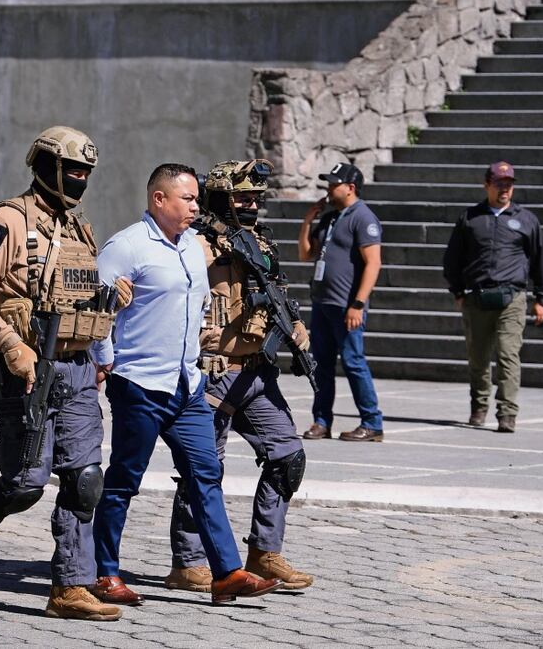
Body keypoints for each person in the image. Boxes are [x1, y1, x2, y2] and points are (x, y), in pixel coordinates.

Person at [0, 126, 130, 621]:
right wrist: (11, 345)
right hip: (27, 374)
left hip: (77, 372)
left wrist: (106, 319)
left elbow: (74, 298)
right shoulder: (11, 221)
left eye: (86, 172)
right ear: (48, 167)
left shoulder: (80, 228)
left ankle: (70, 588)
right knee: (23, 484)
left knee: (85, 481)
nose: (80, 180)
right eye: (73, 170)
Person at [90, 163, 283, 607]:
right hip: (138, 383)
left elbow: (196, 311)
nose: (196, 206)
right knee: (123, 481)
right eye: (188, 199)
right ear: (159, 199)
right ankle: (105, 574)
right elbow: (97, 314)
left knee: (206, 475)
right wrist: (105, 363)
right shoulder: (127, 247)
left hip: (187, 384)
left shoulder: (193, 249)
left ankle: (227, 573)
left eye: (197, 199)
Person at [165, 159, 314, 592]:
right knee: (203, 468)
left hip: (256, 374)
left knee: (288, 457)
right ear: (220, 198)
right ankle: (188, 562)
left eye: (255, 198)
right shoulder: (195, 245)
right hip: (213, 373)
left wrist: (294, 324)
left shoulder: (260, 242)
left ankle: (265, 551)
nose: (250, 204)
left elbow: (276, 291)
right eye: (242, 197)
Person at [442, 162, 543, 433]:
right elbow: (453, 258)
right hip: (477, 297)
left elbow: (542, 258)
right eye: (499, 183)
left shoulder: (526, 219)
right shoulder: (470, 218)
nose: (505, 188)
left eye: (509, 184)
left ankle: (507, 413)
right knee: (478, 358)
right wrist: (457, 291)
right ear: (487, 185)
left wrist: (542, 298)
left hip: (512, 298)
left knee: (508, 355)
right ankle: (479, 407)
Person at [297, 163, 384, 443]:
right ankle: (322, 421)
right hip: (324, 303)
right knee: (321, 365)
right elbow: (306, 254)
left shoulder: (364, 217)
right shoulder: (330, 218)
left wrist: (358, 304)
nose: (329, 188)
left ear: (351, 188)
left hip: (347, 306)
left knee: (353, 363)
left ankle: (372, 423)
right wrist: (308, 220)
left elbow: (373, 263)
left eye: (334, 183)